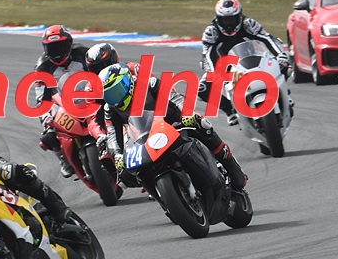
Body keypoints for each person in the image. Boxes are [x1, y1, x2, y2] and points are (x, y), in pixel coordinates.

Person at [98, 64, 248, 195]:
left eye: (117, 91)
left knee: (201, 125)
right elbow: (112, 135)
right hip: (143, 134)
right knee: (125, 172)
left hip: (172, 121)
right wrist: (117, 154)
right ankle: (159, 192)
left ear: (128, 82)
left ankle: (229, 163)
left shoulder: (149, 84)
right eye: (110, 95)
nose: (116, 98)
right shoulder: (110, 109)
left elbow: (174, 98)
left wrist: (187, 114)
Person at [200, 0, 292, 126]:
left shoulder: (249, 24)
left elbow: (268, 39)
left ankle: (284, 94)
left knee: (284, 65)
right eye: (225, 20)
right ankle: (230, 111)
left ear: (239, 15)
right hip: (226, 66)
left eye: (232, 19)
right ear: (218, 18)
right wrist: (213, 72)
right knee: (202, 88)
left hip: (253, 57)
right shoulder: (211, 31)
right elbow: (207, 55)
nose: (229, 24)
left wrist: (280, 54)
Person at [34, 25, 89, 178]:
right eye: (52, 48)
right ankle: (63, 159)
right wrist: (46, 118)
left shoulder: (83, 54)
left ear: (69, 44)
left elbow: (100, 72)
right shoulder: (42, 67)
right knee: (49, 135)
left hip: (90, 95)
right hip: (61, 102)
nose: (57, 52)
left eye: (60, 46)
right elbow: (41, 98)